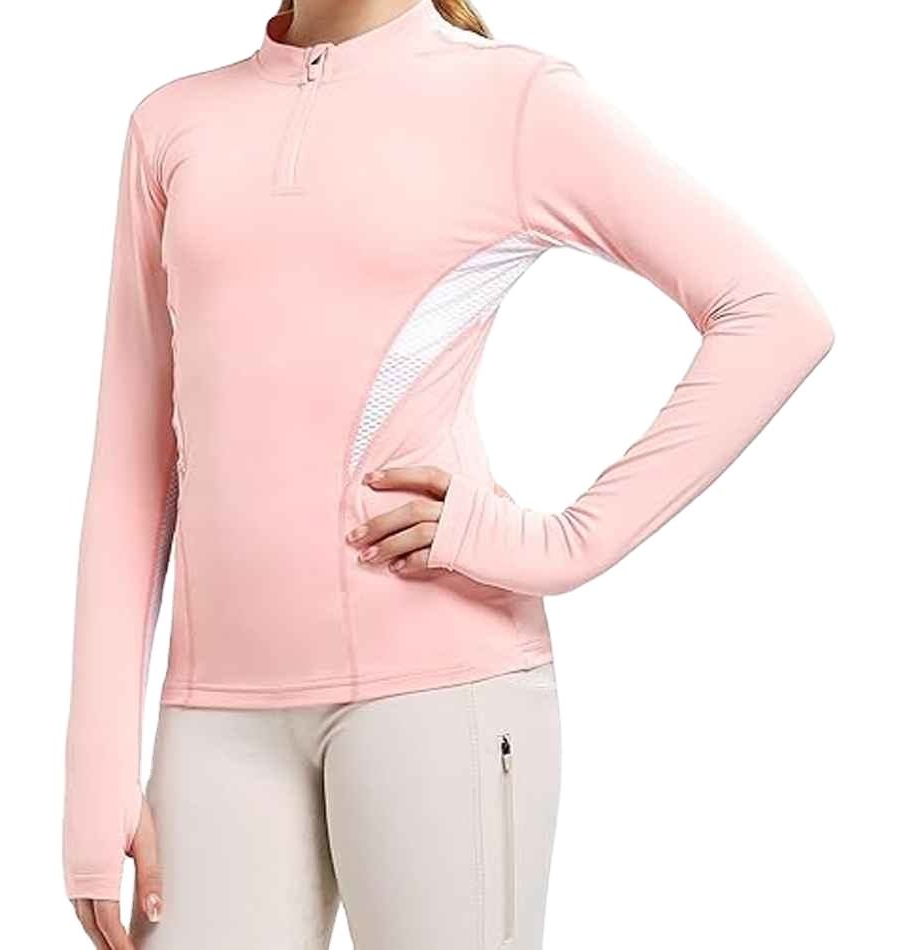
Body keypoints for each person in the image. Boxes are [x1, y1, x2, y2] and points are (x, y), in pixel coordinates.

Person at [63, 0, 834, 947]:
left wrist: (565, 544)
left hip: (441, 697)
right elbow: (132, 462)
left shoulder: (509, 99)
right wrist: (96, 773)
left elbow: (772, 313)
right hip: (214, 720)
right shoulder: (171, 124)